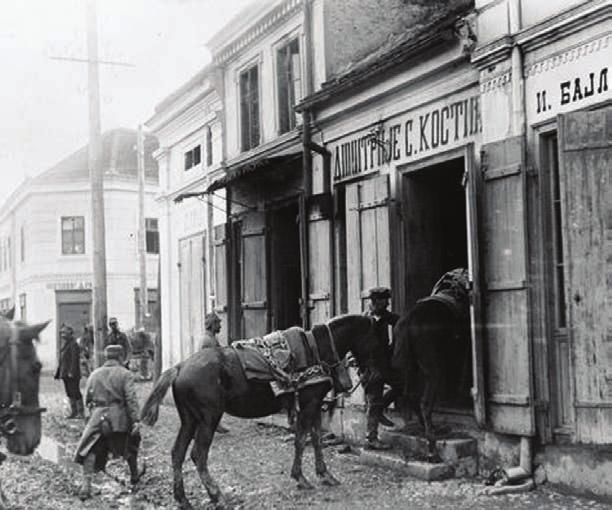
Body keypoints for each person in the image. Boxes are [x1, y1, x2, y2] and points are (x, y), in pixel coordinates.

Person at [74, 345, 145, 500]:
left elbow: (87, 399)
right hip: (119, 417)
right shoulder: (125, 374)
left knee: (89, 449)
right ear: (121, 357)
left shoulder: (94, 374)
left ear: (106, 357)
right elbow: (131, 399)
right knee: (130, 444)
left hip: (98, 417)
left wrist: (91, 417)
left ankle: (86, 486)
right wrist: (136, 420)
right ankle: (134, 476)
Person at [361, 287, 401, 450]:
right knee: (373, 400)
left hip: (384, 363)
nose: (388, 303)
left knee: (401, 384)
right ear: (375, 301)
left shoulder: (385, 316)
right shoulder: (363, 320)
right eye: (385, 300)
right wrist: (363, 366)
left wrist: (394, 347)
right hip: (369, 366)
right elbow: (356, 347)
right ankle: (371, 439)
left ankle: (381, 409)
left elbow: (399, 321)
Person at [54, 324, 85, 419]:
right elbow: (62, 360)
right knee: (69, 393)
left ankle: (80, 412)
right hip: (65, 373)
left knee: (75, 392)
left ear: (70, 333)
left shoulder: (74, 344)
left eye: (64, 333)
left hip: (72, 374)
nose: (62, 335)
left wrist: (71, 372)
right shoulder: (65, 344)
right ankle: (74, 412)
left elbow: (74, 359)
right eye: (61, 333)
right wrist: (58, 373)